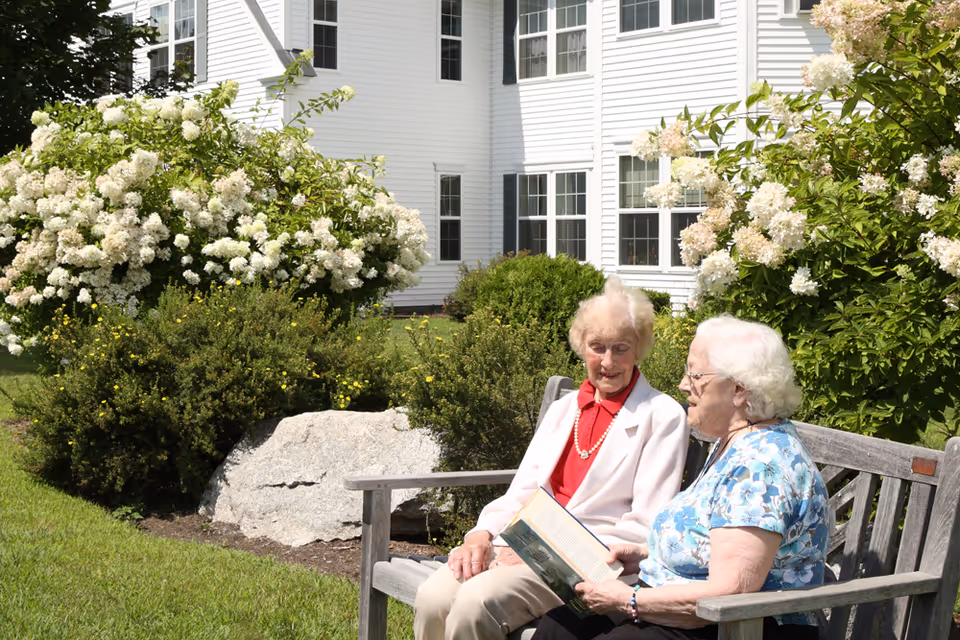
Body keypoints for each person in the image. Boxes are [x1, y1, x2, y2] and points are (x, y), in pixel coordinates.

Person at [414, 278, 690, 640]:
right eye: (597, 347)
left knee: (474, 603)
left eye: (621, 348)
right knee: (433, 596)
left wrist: (542, 553)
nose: (608, 362)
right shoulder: (564, 409)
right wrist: (481, 535)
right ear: (582, 348)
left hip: (589, 561)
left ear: (639, 350)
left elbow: (645, 523)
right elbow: (523, 490)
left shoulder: (662, 415)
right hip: (520, 545)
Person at [531, 315, 830, 640]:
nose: (684, 384)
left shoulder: (760, 466)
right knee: (560, 625)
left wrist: (629, 600)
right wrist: (645, 556)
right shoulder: (734, 441)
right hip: (688, 615)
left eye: (696, 374)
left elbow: (731, 592)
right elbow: (712, 542)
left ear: (740, 389)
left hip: (742, 628)